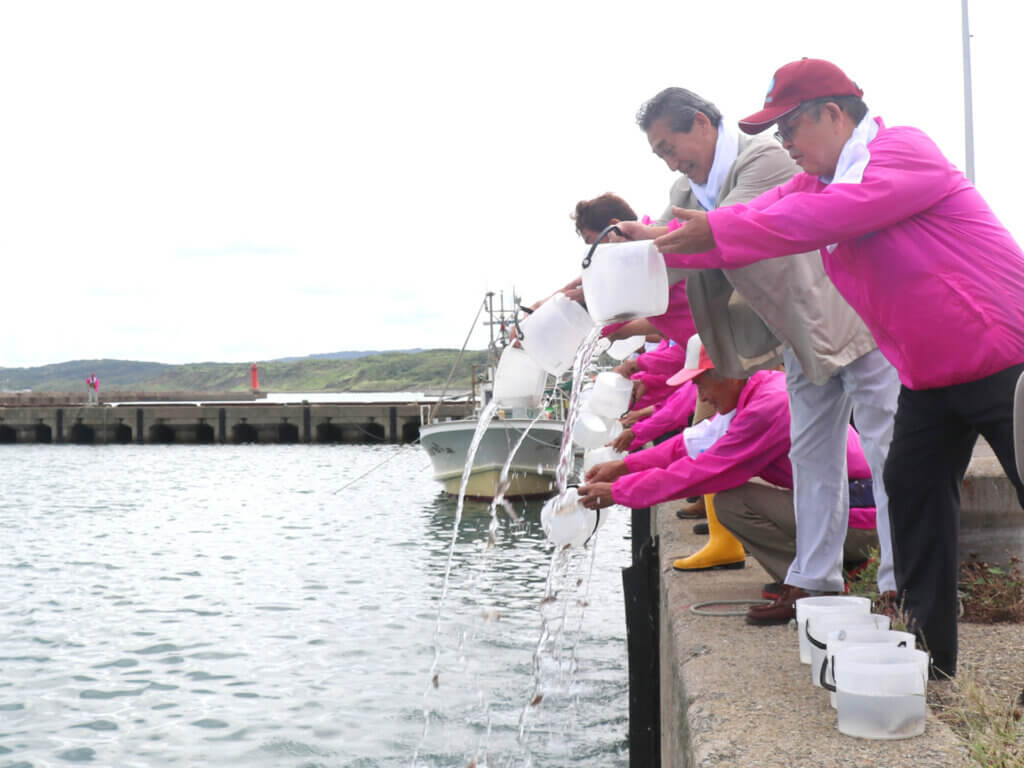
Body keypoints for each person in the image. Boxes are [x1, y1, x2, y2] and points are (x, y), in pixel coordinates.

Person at [650, 58, 1024, 677]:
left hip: (1004, 362)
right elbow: (763, 216)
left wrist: (713, 229)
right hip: (930, 379)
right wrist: (660, 237)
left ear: (832, 112)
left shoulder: (900, 152)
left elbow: (818, 219)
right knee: (912, 504)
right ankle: (927, 660)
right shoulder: (821, 181)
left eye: (790, 128)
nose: (784, 144)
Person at [618, 87, 899, 614]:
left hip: (845, 317)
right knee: (812, 456)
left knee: (888, 453)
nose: (669, 160)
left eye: (668, 145)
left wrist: (655, 242)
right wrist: (608, 275)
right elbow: (668, 255)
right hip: (792, 332)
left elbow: (724, 234)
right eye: (658, 154)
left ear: (700, 123)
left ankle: (896, 586)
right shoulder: (687, 186)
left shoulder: (761, 159)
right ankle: (814, 581)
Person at [578, 339, 879, 590]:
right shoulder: (758, 390)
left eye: (701, 385)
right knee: (735, 496)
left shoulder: (767, 407)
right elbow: (689, 443)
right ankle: (831, 567)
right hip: (852, 507)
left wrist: (619, 491)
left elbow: (703, 472)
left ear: (731, 375)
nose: (703, 397)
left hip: (863, 518)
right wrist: (625, 467)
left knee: (734, 502)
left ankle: (811, 583)